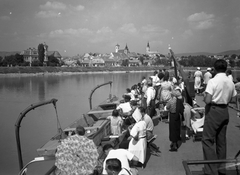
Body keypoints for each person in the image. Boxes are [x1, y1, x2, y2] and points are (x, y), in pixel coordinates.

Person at [202, 59, 237, 175]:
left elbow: (207, 100)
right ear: (226, 68)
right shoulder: (230, 82)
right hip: (224, 110)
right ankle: (222, 169)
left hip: (214, 110)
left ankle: (211, 170)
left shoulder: (213, 81)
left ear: (214, 69)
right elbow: (233, 98)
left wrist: (206, 97)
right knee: (221, 141)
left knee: (207, 140)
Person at [165, 87, 183, 152]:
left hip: (172, 115)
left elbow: (167, 107)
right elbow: (181, 109)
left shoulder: (170, 101)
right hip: (177, 115)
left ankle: (174, 144)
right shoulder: (179, 101)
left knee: (172, 130)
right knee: (177, 129)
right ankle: (176, 141)